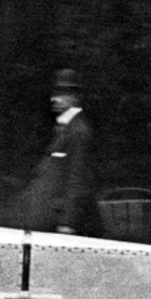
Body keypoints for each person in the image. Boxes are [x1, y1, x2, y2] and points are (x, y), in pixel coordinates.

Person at [16, 69, 98, 235]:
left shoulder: (78, 131)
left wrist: (67, 222)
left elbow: (76, 179)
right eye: (55, 93)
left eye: (61, 94)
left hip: (56, 221)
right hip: (44, 216)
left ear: (74, 98)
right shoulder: (64, 127)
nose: (54, 99)